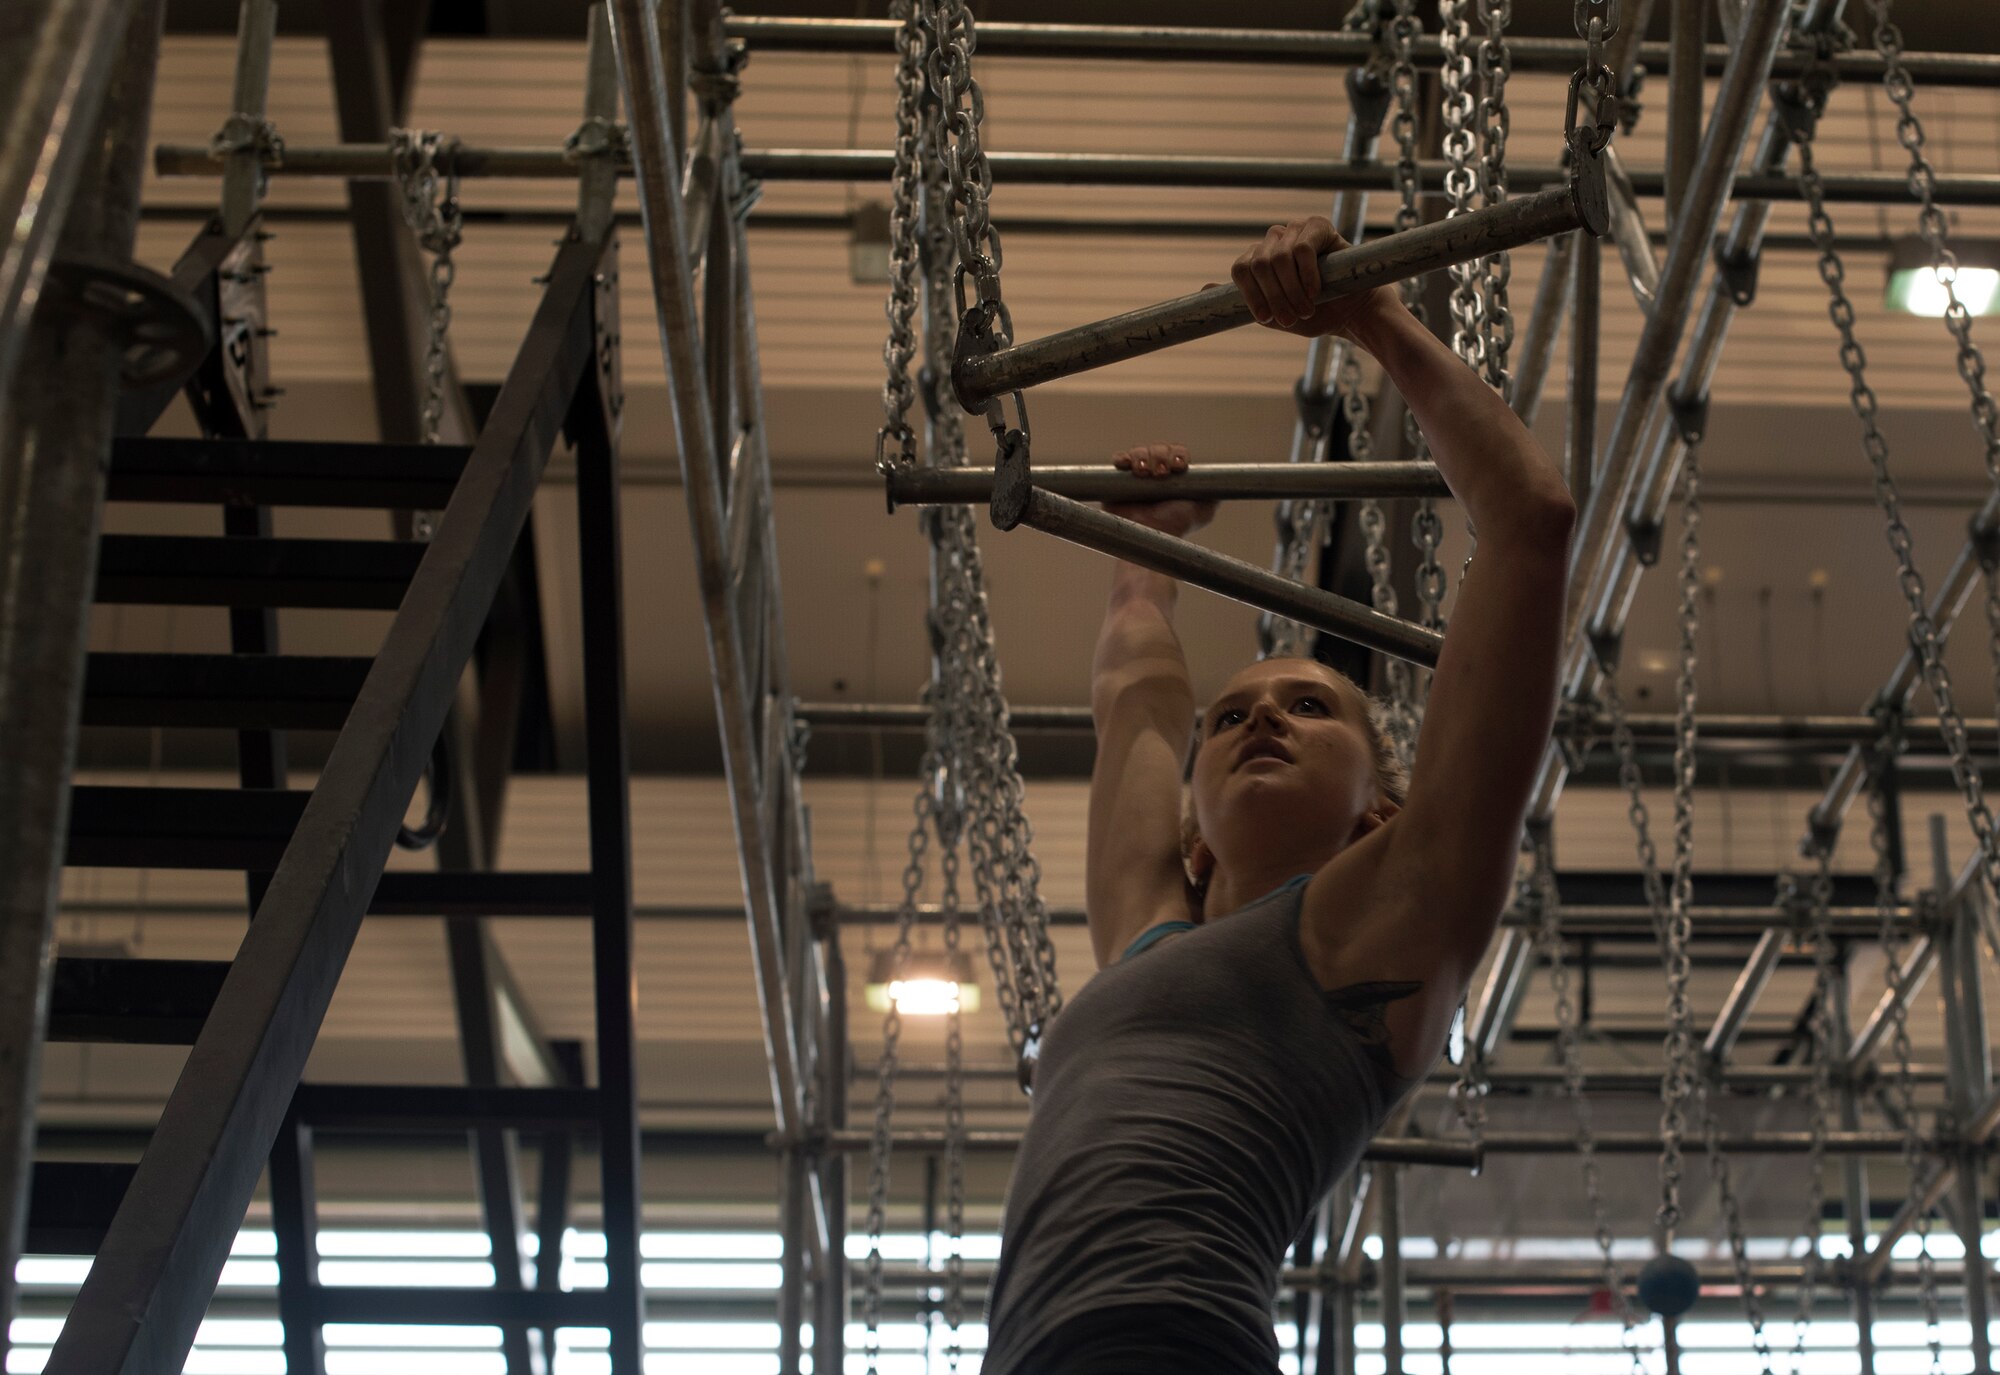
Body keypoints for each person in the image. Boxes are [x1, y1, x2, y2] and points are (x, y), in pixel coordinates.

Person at [979, 217, 1578, 1375]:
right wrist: (1145, 543)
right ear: (1193, 818)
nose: (1258, 717)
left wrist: (1367, 316)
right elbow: (1137, 690)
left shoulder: (1386, 915)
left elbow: (1530, 526)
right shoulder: (1144, 935)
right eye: (1235, 713)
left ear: (1377, 809)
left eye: (1311, 707)